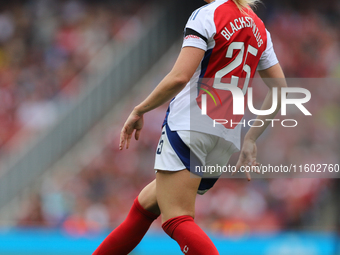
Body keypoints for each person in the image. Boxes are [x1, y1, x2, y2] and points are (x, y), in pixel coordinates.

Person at [93, 0, 287, 254]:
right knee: (144, 208)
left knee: (176, 218)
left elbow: (179, 76)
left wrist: (140, 109)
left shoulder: (206, 15)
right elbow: (281, 90)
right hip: (225, 138)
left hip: (191, 124)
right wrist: (250, 139)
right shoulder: (260, 28)